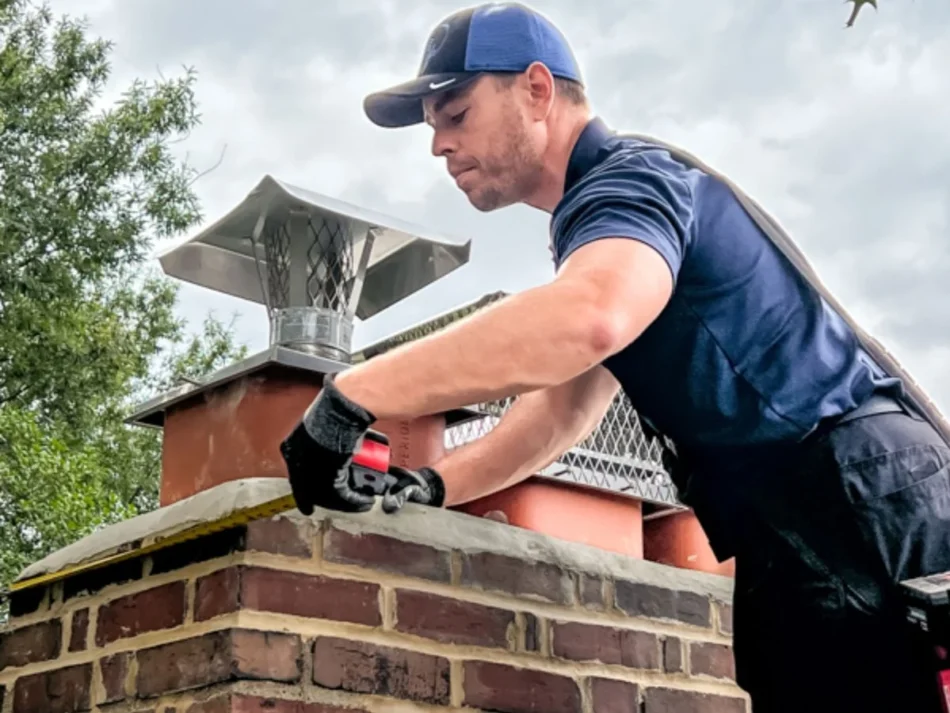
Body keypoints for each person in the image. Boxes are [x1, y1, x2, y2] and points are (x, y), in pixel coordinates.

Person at [279, 3, 950, 711]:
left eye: (456, 113)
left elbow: (589, 317)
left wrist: (350, 396)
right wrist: (435, 484)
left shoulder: (628, 185)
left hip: (852, 504)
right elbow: (562, 409)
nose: (438, 145)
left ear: (537, 90)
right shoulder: (608, 223)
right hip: (815, 520)